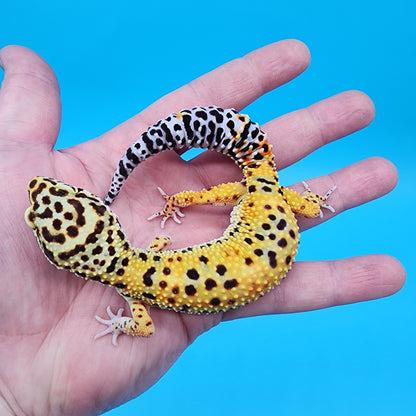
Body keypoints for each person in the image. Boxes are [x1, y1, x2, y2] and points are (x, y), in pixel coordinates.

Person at [0, 40, 405, 415]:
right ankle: (303, 199)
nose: (38, 189)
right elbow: (155, 258)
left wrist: (118, 323)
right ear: (103, 221)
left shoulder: (136, 281)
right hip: (267, 217)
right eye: (40, 215)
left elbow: (140, 326)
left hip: (263, 217)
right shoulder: (142, 259)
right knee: (271, 193)